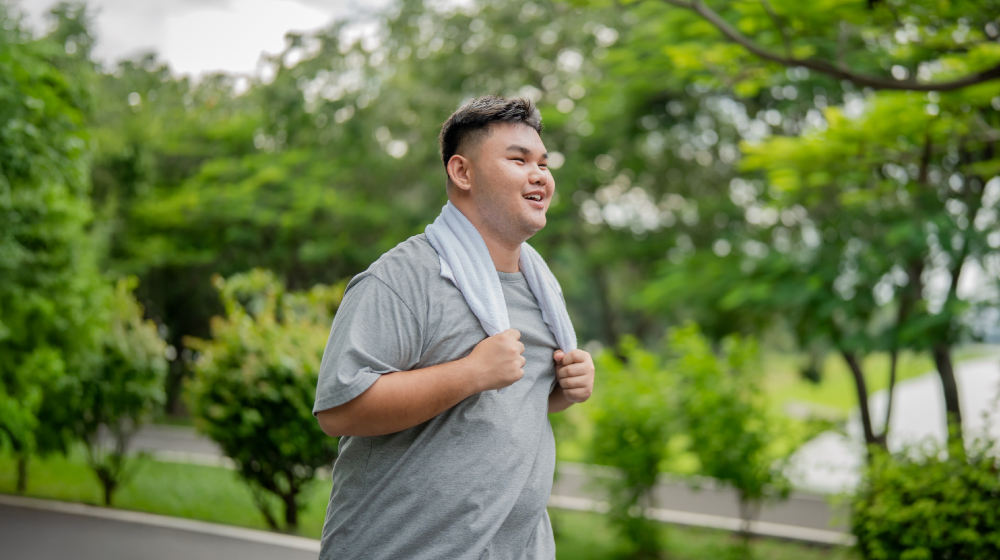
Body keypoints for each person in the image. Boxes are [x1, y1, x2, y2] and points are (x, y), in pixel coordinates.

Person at [312, 95, 595, 559]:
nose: (540, 174)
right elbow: (339, 410)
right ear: (462, 172)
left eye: (544, 162)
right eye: (518, 159)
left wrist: (562, 389)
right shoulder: (403, 277)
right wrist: (470, 373)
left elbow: (502, 408)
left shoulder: (542, 288)